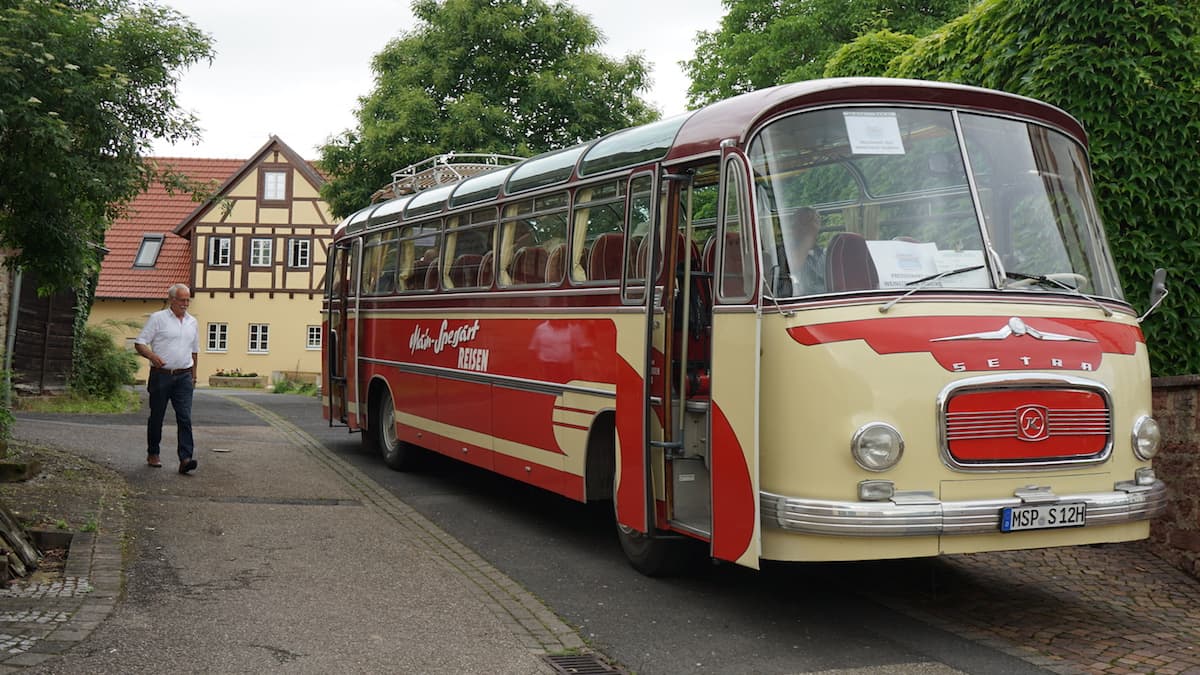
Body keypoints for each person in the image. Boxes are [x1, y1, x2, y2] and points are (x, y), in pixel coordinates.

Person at [134, 283, 200, 474]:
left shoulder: (192, 322)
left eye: (188, 300)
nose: (186, 303)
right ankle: (153, 453)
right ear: (172, 299)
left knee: (185, 418)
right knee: (157, 416)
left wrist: (194, 376)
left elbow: (194, 351)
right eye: (182, 300)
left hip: (184, 377)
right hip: (161, 376)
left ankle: (185, 459)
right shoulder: (158, 319)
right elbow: (140, 343)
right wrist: (152, 357)